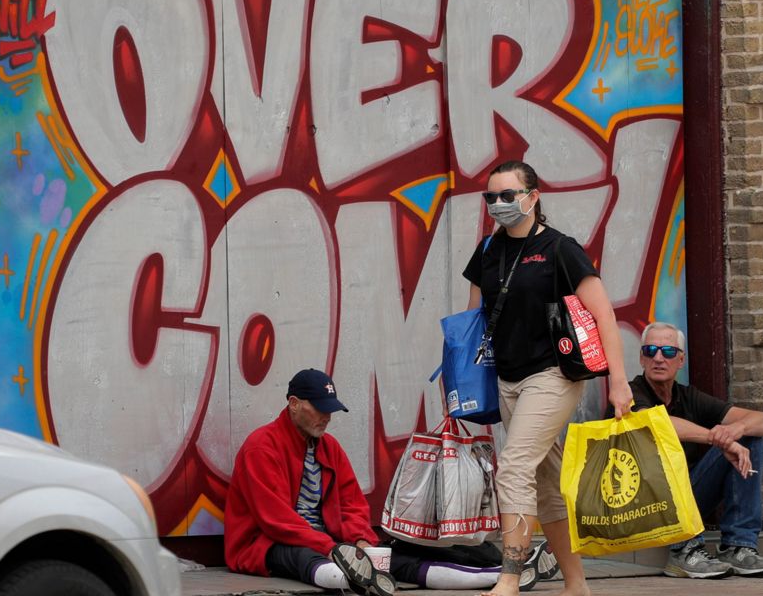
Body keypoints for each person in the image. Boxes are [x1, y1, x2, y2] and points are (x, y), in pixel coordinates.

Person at [462, 160, 633, 596]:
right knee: (544, 481)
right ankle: (576, 583)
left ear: (533, 197)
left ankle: (509, 578)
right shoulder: (487, 251)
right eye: (491, 197)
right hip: (507, 379)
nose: (498, 205)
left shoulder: (560, 249)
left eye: (508, 195)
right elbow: (473, 321)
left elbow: (604, 316)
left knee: (515, 466)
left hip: (553, 375)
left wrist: (618, 381)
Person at [224, 368, 539, 595]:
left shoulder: (329, 447)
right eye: (319, 409)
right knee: (301, 556)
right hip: (266, 546)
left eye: (330, 410)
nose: (327, 417)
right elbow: (276, 522)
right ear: (293, 404)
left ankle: (506, 573)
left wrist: (361, 541)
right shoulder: (261, 447)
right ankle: (361, 576)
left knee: (395, 555)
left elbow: (352, 504)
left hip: (332, 543)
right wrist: (333, 548)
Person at [627, 321, 763, 579]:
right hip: (644, 505)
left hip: (688, 499)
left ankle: (738, 546)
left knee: (750, 439)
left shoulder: (688, 397)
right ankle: (683, 551)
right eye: (650, 350)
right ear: (641, 358)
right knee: (724, 443)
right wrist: (717, 438)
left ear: (681, 359)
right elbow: (656, 424)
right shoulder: (632, 393)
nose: (658, 358)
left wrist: (735, 431)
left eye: (668, 352)